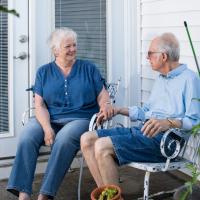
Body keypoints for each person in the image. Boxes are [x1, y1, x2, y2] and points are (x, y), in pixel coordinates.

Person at [81, 32, 200, 187]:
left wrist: (168, 122)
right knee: (87, 139)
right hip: (144, 131)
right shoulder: (161, 79)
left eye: (150, 54)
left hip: (167, 141)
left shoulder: (190, 79)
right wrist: (118, 109)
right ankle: (107, 195)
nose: (147, 58)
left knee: (102, 146)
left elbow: (194, 120)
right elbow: (146, 111)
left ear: (163, 56)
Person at [7, 27, 113, 200]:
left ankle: (45, 194)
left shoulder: (88, 68)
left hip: (80, 118)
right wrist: (47, 128)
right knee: (27, 135)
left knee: (64, 138)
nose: (73, 49)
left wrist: (106, 104)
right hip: (50, 118)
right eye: (67, 46)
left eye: (74, 45)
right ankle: (23, 192)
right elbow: (39, 105)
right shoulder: (44, 72)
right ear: (55, 50)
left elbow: (102, 93)